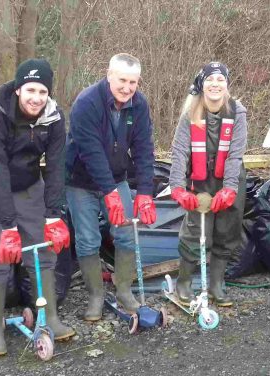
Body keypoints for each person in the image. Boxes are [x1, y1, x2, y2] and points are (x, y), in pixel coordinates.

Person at [0, 58, 75, 356]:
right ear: (18, 89)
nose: (36, 98)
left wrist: (53, 216)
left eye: (43, 92)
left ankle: (51, 317)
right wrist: (8, 226)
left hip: (30, 183)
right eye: (30, 90)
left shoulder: (54, 117)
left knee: (43, 247)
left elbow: (56, 167)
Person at [65, 53, 157, 321]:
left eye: (133, 82)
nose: (127, 88)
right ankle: (95, 296)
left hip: (117, 178)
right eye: (122, 81)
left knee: (126, 234)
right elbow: (91, 152)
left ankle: (124, 290)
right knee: (87, 239)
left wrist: (145, 192)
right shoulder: (87, 103)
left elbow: (143, 149)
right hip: (80, 181)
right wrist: (110, 195)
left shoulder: (139, 105)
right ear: (109, 76)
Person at [168, 62, 247, 307]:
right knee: (195, 231)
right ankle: (183, 283)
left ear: (227, 84)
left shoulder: (237, 111)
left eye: (220, 80)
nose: (215, 84)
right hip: (200, 179)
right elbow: (180, 151)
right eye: (210, 80)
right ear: (202, 84)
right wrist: (177, 186)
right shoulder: (190, 112)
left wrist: (230, 187)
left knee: (227, 230)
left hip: (230, 177)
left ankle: (216, 284)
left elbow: (236, 153)